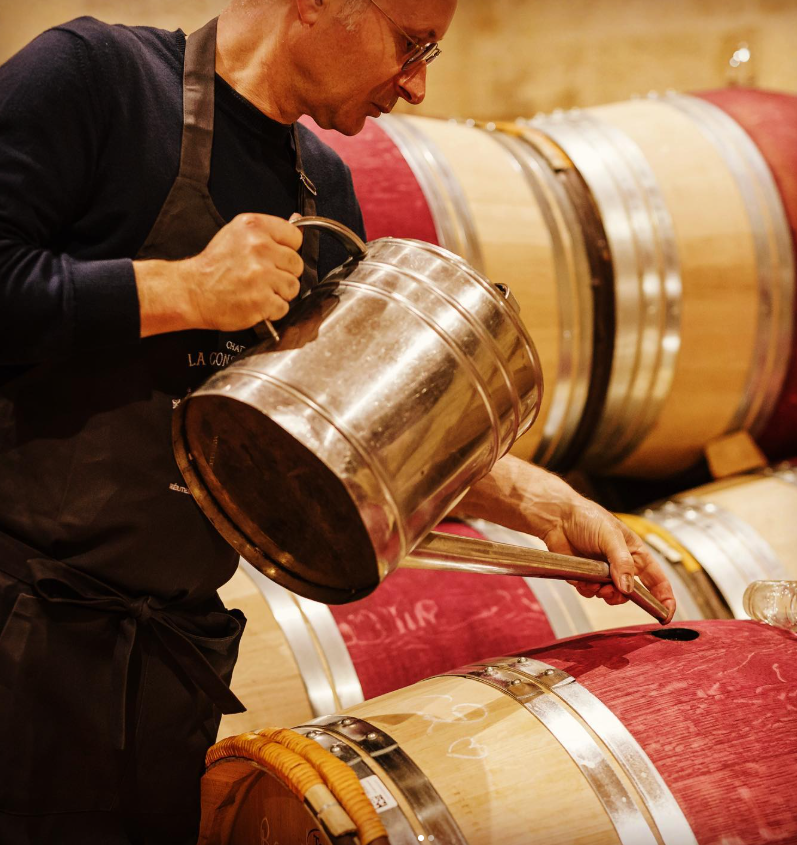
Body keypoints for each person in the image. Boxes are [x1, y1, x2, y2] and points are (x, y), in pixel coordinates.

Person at [0, 0, 675, 842]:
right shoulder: (97, 81)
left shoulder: (323, 189)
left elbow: (377, 433)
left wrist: (553, 510)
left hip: (171, 661)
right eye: (412, 44)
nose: (420, 84)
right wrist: (182, 291)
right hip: (22, 634)